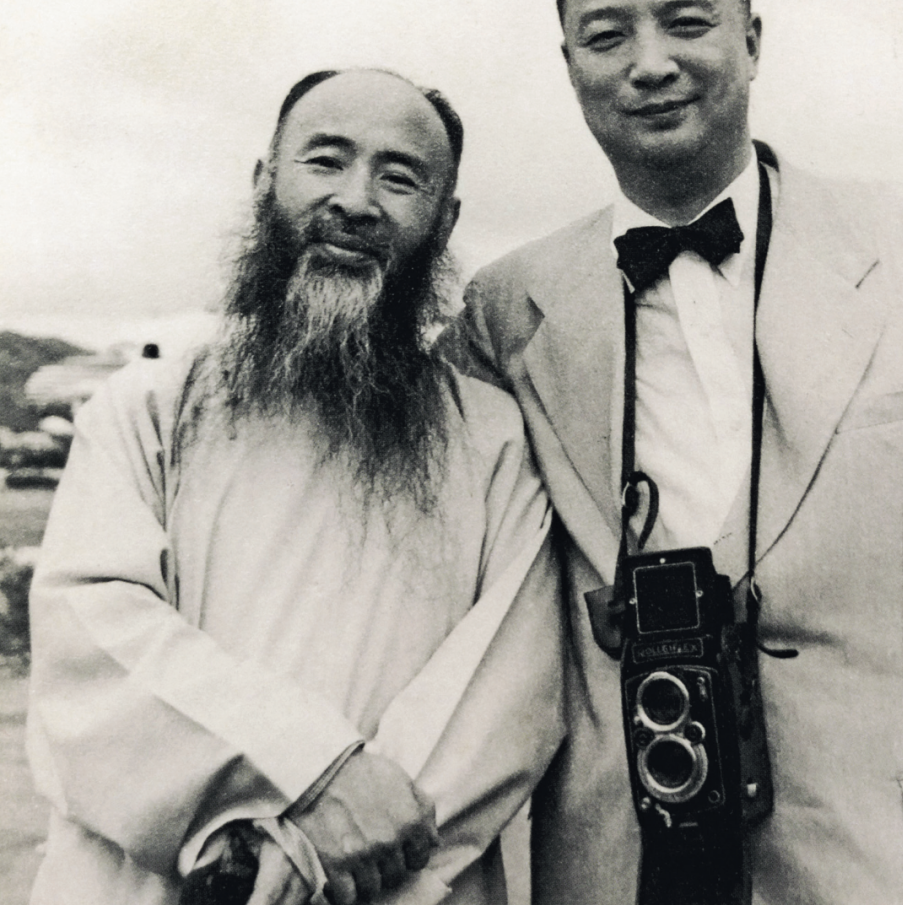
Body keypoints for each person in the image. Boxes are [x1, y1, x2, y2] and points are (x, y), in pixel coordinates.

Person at [441, 0, 903, 904]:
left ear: (753, 38)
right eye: (607, 35)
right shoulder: (504, 309)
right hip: (623, 865)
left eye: (687, 22)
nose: (650, 63)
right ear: (568, 66)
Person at [27, 68, 563, 905]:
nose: (356, 200)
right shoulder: (150, 405)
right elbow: (90, 636)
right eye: (325, 160)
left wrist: (315, 855)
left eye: (399, 177)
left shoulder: (494, 439)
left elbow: (504, 695)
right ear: (263, 182)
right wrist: (310, 772)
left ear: (445, 220)